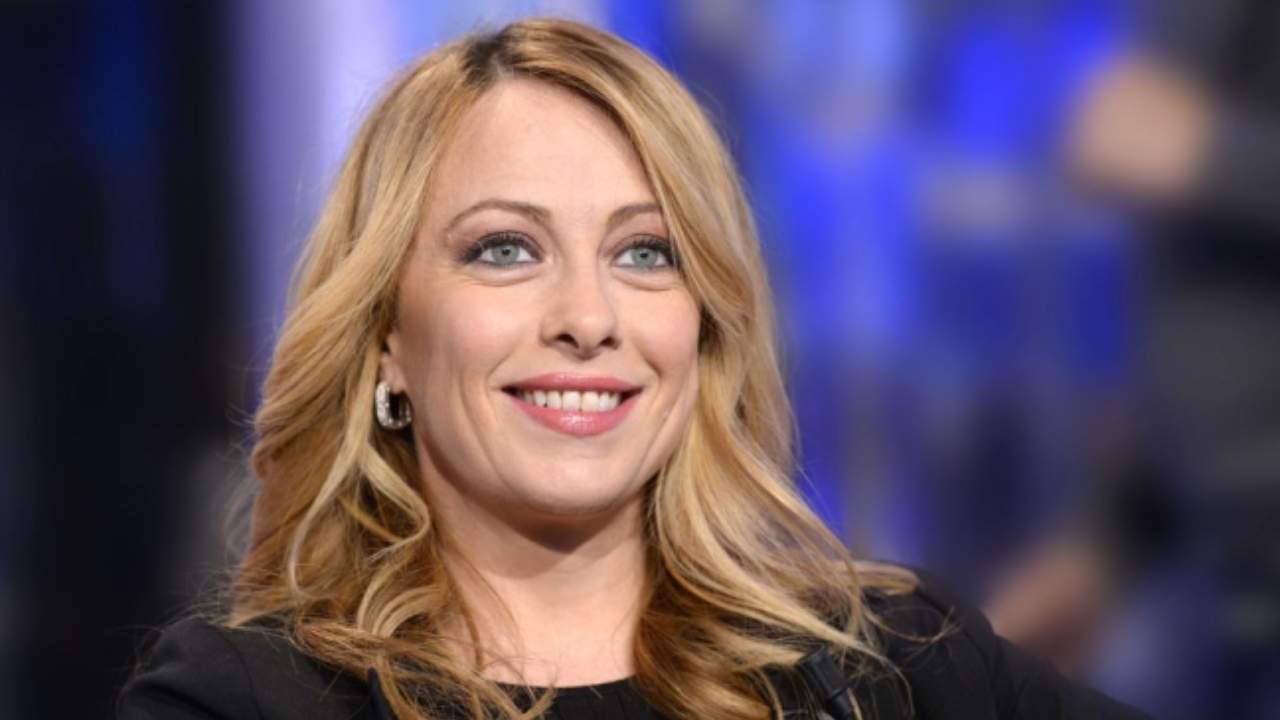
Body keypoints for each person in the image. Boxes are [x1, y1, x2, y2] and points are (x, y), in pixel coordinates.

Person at [118, 18, 1146, 720]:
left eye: (645, 253)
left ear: (702, 328)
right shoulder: (246, 699)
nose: (587, 318)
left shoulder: (892, 669)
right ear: (386, 338)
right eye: (504, 249)